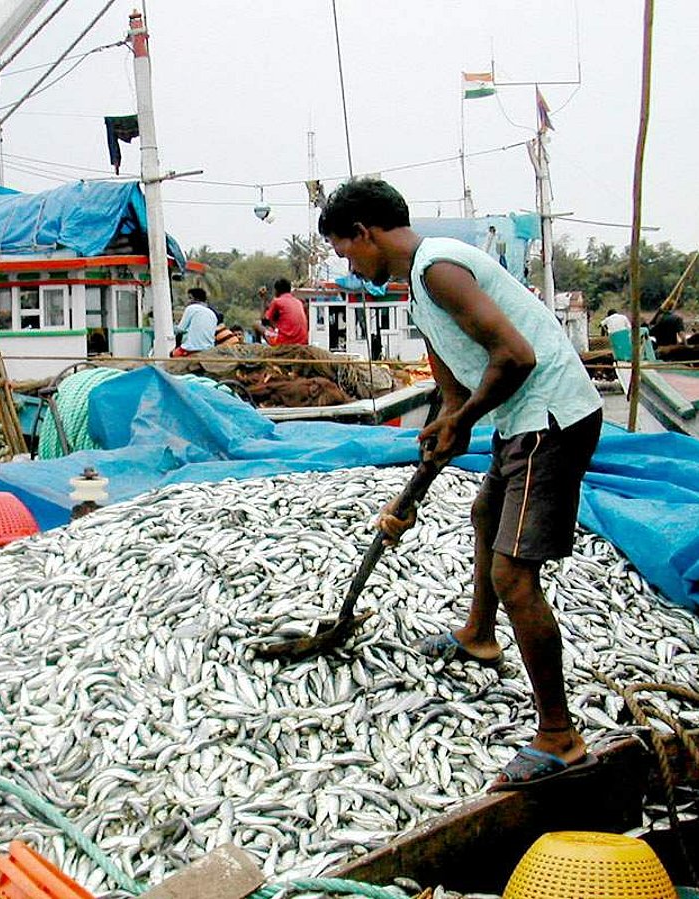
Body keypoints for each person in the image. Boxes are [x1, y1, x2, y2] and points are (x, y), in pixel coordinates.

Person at [318, 178, 603, 791]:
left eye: (346, 252)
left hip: (550, 419)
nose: (350, 265)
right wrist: (438, 444)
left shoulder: (440, 269)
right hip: (519, 418)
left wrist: (465, 419)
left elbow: (516, 356)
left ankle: (560, 736)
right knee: (484, 514)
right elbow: (451, 390)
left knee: (514, 575)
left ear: (364, 233)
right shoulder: (419, 291)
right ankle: (478, 635)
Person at [257, 278, 308, 345]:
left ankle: (258, 346)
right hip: (302, 340)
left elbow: (264, 320)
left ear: (277, 291)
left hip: (284, 341)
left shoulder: (276, 301)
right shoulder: (298, 302)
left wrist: (262, 299)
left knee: (257, 325)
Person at [171, 287, 218, 357]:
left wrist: (169, 328)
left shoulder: (191, 308)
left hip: (190, 348)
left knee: (171, 354)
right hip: (209, 349)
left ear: (196, 299)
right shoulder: (212, 313)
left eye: (190, 298)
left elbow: (180, 329)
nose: (187, 301)